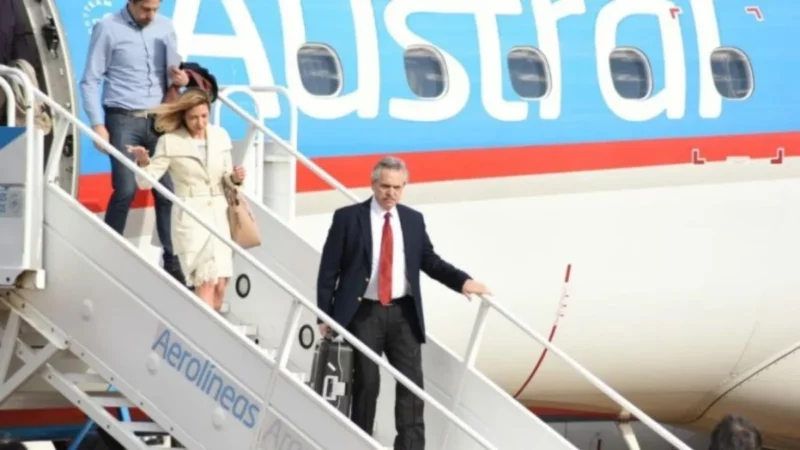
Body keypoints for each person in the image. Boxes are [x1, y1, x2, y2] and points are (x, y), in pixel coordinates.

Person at [316, 156, 490, 450]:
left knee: (412, 387)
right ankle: (360, 443)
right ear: (373, 184)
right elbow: (328, 270)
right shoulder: (348, 218)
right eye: (385, 186)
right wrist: (324, 315)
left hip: (403, 314)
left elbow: (429, 261)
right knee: (367, 384)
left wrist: (462, 281)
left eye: (397, 187)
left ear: (404, 187)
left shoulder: (412, 220)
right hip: (363, 312)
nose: (391, 193)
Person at [79, 0, 189, 284]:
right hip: (123, 119)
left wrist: (182, 79)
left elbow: (174, 77)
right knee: (126, 189)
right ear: (131, 2)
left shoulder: (165, 27)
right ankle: (109, 257)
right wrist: (97, 125)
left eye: (155, 9)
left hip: (159, 120)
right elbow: (90, 80)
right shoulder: (107, 28)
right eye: (145, 9)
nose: (151, 15)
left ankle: (171, 261)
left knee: (166, 192)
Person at [129, 89, 246, 311]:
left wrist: (236, 178)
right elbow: (145, 183)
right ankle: (206, 332)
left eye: (204, 116)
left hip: (219, 215)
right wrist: (143, 162)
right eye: (193, 118)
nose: (200, 123)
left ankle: (206, 326)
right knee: (206, 280)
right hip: (192, 216)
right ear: (183, 116)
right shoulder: (170, 141)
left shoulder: (220, 136)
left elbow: (226, 178)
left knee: (221, 286)